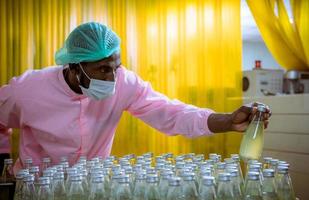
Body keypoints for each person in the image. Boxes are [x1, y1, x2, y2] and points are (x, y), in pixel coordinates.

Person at [0, 22, 270, 172]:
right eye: (103, 70)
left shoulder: (125, 83)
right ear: (74, 67)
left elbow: (170, 113)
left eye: (115, 68)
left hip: (92, 185)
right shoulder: (28, 89)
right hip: (37, 188)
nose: (112, 80)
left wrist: (227, 121)